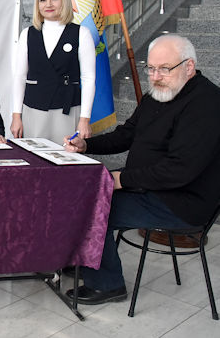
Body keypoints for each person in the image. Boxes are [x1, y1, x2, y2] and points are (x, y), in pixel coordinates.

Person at [64, 35, 220, 305]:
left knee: (90, 207)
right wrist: (86, 145)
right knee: (79, 190)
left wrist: (122, 179)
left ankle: (107, 285)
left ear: (189, 66)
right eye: (151, 68)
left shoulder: (207, 103)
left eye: (164, 69)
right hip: (148, 185)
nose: (156, 77)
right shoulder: (161, 93)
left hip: (181, 201)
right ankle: (87, 257)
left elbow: (179, 170)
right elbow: (127, 135)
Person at [11, 0, 96, 144]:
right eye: (42, 0)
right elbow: (20, 77)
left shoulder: (81, 33)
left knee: (67, 155)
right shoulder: (27, 34)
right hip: (34, 109)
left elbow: (88, 78)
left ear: (64, 0)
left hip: (67, 109)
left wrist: (84, 119)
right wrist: (16, 116)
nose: (48, 4)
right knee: (33, 156)